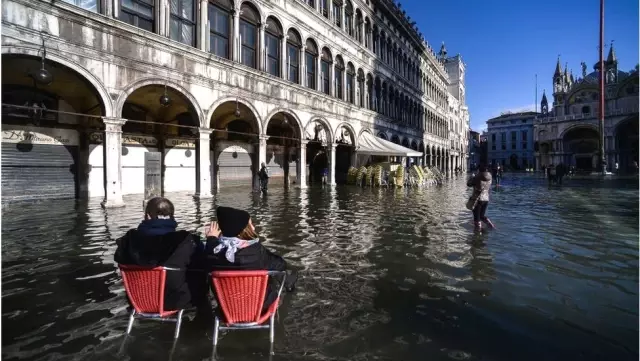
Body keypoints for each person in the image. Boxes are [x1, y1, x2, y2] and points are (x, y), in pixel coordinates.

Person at [114, 197, 212, 316]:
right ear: (172, 216)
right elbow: (205, 264)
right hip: (175, 301)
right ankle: (203, 326)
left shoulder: (127, 240)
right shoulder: (186, 240)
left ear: (148, 216)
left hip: (138, 300)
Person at [204, 206, 297, 313]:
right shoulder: (257, 251)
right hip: (260, 308)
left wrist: (211, 239)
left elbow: (208, 255)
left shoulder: (212, 252)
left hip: (227, 310)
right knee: (280, 272)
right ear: (241, 231)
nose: (253, 228)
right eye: (250, 225)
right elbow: (280, 265)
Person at [467, 164, 495, 232]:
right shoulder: (490, 176)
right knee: (482, 216)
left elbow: (469, 184)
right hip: (486, 199)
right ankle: (491, 226)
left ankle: (477, 236)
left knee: (477, 218)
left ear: (479, 170)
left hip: (477, 199)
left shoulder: (478, 177)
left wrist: (472, 177)